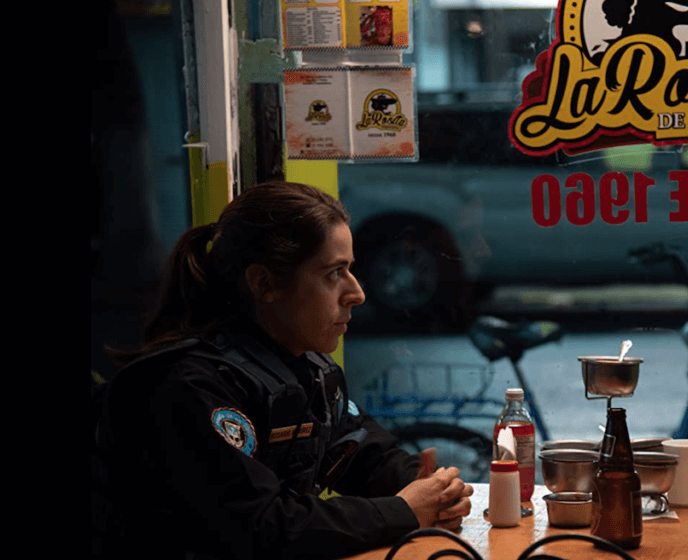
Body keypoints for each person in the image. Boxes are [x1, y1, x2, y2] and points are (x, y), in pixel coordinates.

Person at [92, 181, 473, 559]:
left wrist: (431, 490)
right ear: (265, 283)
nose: (357, 292)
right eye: (333, 273)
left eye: (350, 270)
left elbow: (361, 452)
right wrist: (404, 511)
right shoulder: (186, 386)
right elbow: (263, 525)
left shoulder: (306, 368)